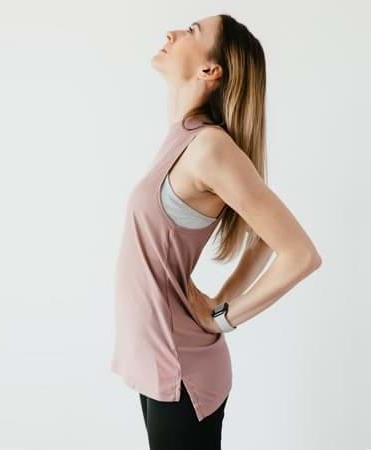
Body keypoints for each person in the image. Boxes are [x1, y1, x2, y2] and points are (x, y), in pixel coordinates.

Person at [110, 13, 323, 450]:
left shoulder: (209, 147)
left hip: (182, 371)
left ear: (212, 71)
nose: (171, 33)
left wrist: (222, 315)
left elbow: (300, 253)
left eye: (191, 31)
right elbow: (263, 234)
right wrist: (220, 299)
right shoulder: (183, 139)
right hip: (160, 365)